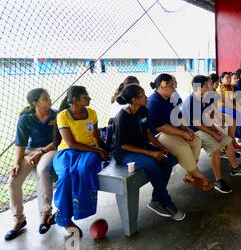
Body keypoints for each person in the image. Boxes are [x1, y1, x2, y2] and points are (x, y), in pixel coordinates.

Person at [112, 84, 185, 220]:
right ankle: (166, 201)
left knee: (168, 159)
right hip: (124, 153)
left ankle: (156, 199)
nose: (146, 98)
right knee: (152, 163)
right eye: (143, 96)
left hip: (142, 146)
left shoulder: (143, 111)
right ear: (134, 100)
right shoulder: (122, 117)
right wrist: (150, 153)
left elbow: (148, 133)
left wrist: (160, 147)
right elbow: (123, 145)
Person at [53, 86, 109, 236]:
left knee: (83, 170)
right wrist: (99, 151)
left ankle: (80, 209)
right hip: (67, 152)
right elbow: (71, 143)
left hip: (89, 151)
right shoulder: (63, 116)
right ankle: (65, 219)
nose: (89, 98)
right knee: (65, 176)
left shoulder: (92, 113)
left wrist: (101, 152)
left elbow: (96, 136)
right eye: (85, 96)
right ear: (75, 100)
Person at [182, 76, 241, 194]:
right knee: (215, 148)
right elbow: (197, 124)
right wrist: (213, 133)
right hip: (193, 131)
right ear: (200, 87)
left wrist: (215, 129)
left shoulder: (205, 97)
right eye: (208, 85)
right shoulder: (191, 101)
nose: (211, 86)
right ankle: (218, 181)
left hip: (204, 127)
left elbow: (207, 117)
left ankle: (235, 168)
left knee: (228, 140)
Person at [5, 89, 58, 241]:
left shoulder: (56, 115)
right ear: (35, 103)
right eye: (45, 98)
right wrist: (16, 163)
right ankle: (19, 220)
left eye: (49, 97)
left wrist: (40, 153)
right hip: (30, 152)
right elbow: (20, 143)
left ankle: (45, 214)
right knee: (13, 180)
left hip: (49, 149)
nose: (49, 100)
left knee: (42, 169)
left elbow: (57, 141)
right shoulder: (25, 119)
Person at [146, 74, 213, 192]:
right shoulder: (153, 101)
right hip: (157, 136)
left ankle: (191, 173)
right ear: (163, 85)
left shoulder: (173, 97)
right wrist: (182, 134)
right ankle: (200, 176)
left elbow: (178, 117)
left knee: (196, 140)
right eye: (172, 85)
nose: (175, 88)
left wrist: (186, 129)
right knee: (183, 147)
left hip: (172, 130)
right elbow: (161, 127)